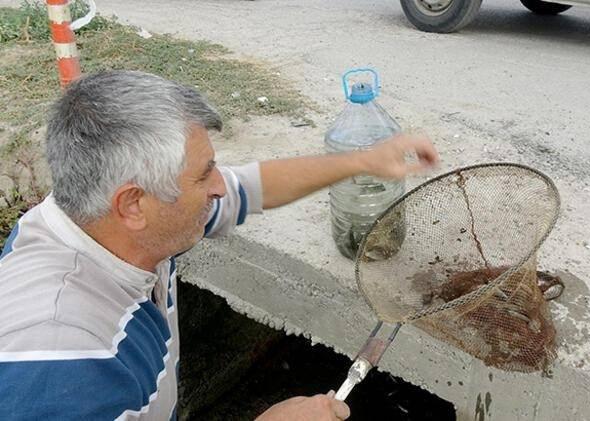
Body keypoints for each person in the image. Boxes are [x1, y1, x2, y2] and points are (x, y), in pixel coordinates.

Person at [0, 70, 439, 420]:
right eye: (203, 174)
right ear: (133, 204)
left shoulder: (113, 220)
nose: (220, 187)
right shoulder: (62, 363)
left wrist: (362, 161)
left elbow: (251, 186)